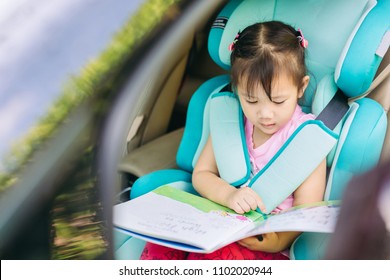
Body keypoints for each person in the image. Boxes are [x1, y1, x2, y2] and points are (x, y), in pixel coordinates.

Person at [140, 21, 327, 260]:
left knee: (218, 256)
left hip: (265, 242)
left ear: (301, 87)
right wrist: (229, 195)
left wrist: (275, 242)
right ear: (237, 90)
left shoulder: (307, 139)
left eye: (278, 101)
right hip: (218, 219)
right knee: (161, 239)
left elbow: (306, 209)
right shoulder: (231, 121)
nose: (265, 114)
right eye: (251, 100)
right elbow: (202, 173)